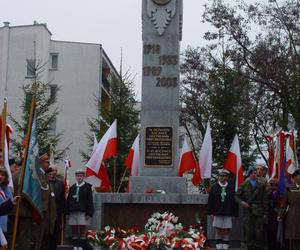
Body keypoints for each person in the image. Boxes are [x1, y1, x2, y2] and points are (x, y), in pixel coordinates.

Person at [235, 166, 268, 250]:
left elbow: (265, 199)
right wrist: (242, 202)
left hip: (259, 211)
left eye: (256, 173)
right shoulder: (244, 184)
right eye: (253, 173)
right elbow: (236, 196)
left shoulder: (261, 185)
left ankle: (258, 247)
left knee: (259, 232)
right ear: (249, 174)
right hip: (248, 211)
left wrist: (265, 213)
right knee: (248, 231)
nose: (255, 174)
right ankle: (249, 247)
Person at [207, 169, 238, 250]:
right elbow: (210, 201)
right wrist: (210, 213)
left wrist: (235, 214)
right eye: (221, 176)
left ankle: (225, 247)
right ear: (219, 177)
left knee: (227, 231)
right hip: (217, 212)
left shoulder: (231, 188)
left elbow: (235, 202)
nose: (222, 178)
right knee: (218, 230)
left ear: (227, 177)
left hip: (228, 212)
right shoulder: (214, 187)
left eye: (224, 176)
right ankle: (219, 247)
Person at [67, 169, 94, 250]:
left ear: (84, 177)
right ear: (75, 177)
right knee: (74, 229)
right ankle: (75, 246)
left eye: (81, 176)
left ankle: (81, 246)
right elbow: (69, 200)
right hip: (73, 211)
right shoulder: (72, 187)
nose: (79, 177)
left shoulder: (87, 187)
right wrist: (67, 211)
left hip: (83, 212)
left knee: (82, 229)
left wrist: (89, 213)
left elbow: (90, 200)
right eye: (78, 176)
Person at [34, 154, 56, 250]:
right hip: (41, 213)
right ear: (42, 163)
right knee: (38, 239)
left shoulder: (44, 176)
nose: (49, 164)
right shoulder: (38, 176)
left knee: (45, 239)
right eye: (47, 162)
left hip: (47, 214)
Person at [278, 169, 300, 250]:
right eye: (298, 176)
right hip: (292, 215)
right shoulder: (289, 188)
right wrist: (280, 215)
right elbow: (283, 204)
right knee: (293, 238)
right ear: (294, 178)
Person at [47, 165, 65, 250]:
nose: (53, 173)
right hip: (46, 214)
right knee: (46, 235)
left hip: (57, 213)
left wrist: (62, 213)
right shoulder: (44, 182)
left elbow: (62, 199)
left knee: (55, 234)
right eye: (51, 171)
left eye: (55, 171)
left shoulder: (60, 183)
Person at [267, 178, 281, 250]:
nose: (274, 186)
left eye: (276, 185)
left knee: (278, 235)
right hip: (270, 217)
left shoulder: (280, 194)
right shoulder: (268, 195)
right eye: (272, 184)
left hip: (279, 217)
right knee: (270, 234)